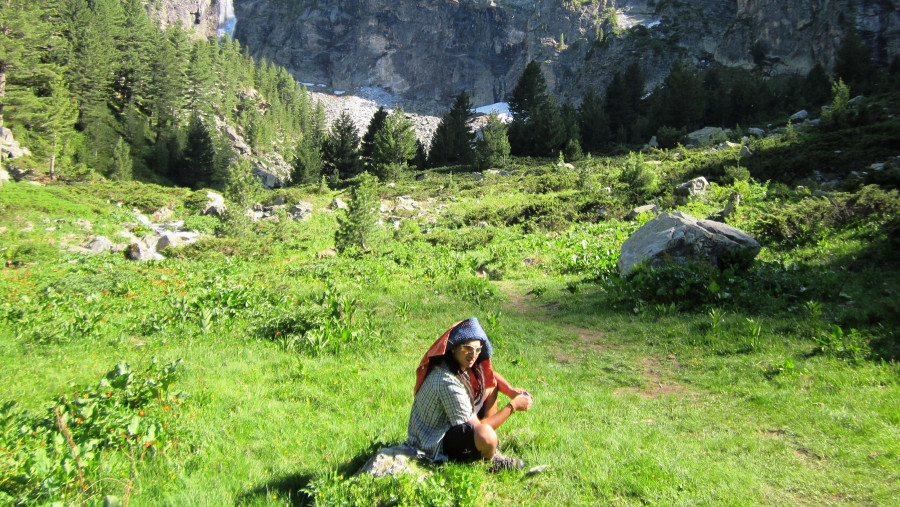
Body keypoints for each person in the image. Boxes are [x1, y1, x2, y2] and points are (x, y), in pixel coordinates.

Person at [405, 317, 533, 471]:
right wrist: (513, 406)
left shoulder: (457, 363)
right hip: (432, 444)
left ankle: (486, 449)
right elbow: (480, 428)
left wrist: (510, 390)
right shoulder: (448, 381)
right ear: (454, 348)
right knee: (487, 435)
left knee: (489, 387)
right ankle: (491, 458)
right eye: (468, 348)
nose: (474, 354)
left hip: (444, 426)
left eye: (478, 350)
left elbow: (491, 376)